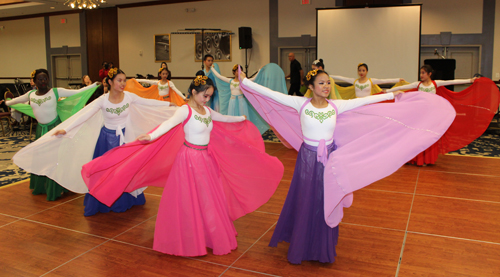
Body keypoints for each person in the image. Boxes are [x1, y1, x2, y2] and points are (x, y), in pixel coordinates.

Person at [239, 68, 456, 264]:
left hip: (329, 159)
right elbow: (270, 94)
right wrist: (246, 82)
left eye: (328, 83)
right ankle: (302, 242)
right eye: (322, 83)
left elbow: (365, 101)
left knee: (325, 200)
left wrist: (393, 95)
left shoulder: (337, 106)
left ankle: (321, 244)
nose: (326, 86)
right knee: (307, 199)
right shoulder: (300, 104)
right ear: (311, 87)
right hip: (307, 160)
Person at [80, 75, 283, 256]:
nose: (207, 99)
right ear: (194, 92)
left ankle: (210, 232)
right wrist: (150, 136)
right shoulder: (184, 111)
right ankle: (190, 235)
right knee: (191, 199)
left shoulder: (207, 111)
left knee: (209, 198)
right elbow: (167, 125)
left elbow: (223, 118)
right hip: (189, 160)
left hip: (206, 159)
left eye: (210, 96)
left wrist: (240, 118)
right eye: (205, 95)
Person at [6, 69, 98, 201]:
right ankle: (42, 186)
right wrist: (7, 102)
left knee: (56, 158)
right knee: (40, 157)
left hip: (55, 129)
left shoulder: (55, 92)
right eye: (40, 79)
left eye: (45, 79)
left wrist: (94, 85)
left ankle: (58, 188)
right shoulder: (31, 94)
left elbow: (77, 92)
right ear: (35, 81)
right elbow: (15, 101)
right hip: (41, 130)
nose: (43, 81)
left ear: (48, 79)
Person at [386, 64, 493, 166]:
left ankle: (426, 159)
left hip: (431, 115)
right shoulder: (417, 84)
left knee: (428, 136)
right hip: (419, 115)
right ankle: (415, 159)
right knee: (418, 136)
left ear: (429, 74)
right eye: (420, 73)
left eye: (423, 73)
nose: (421, 75)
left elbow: (452, 81)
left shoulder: (435, 84)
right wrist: (388, 91)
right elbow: (404, 87)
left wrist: (469, 80)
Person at [330, 63, 405, 98]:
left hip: (368, 103)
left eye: (363, 70)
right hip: (357, 103)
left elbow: (384, 80)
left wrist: (398, 79)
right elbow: (341, 77)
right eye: (359, 70)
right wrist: (329, 76)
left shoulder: (371, 81)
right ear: (357, 71)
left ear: (367, 71)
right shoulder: (355, 81)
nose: (361, 72)